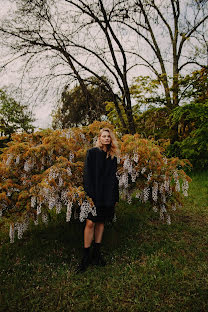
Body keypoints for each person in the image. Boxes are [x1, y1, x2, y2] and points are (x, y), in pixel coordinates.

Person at [78, 127, 120, 273]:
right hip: (94, 193)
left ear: (111, 139)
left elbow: (115, 178)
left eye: (109, 136)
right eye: (104, 136)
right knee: (90, 222)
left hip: (108, 194)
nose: (107, 138)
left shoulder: (113, 156)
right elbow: (87, 175)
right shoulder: (92, 153)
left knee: (101, 222)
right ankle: (85, 257)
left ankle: (97, 254)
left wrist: (115, 196)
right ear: (99, 138)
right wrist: (89, 196)